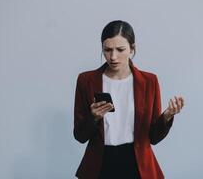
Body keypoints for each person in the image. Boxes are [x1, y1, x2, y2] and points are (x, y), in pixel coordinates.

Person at [73, 20, 184, 179]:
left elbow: (153, 137)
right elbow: (80, 136)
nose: (113, 56)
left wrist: (166, 117)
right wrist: (93, 117)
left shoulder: (149, 81)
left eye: (120, 49)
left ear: (132, 49)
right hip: (99, 164)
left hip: (137, 164)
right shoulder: (86, 80)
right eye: (107, 50)